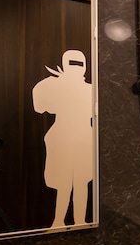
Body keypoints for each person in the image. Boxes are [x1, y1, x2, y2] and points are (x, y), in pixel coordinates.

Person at [32, 49, 94, 228]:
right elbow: (39, 106)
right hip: (68, 138)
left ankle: (74, 221)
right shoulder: (85, 89)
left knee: (76, 182)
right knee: (67, 182)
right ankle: (60, 221)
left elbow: (41, 105)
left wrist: (59, 83)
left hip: (80, 138)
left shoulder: (88, 89)